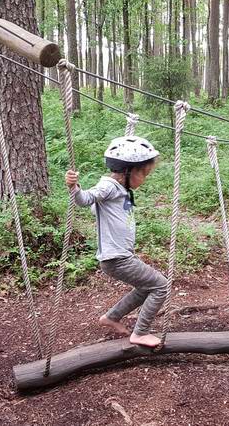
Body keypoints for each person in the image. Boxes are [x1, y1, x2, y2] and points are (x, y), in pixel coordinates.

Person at [65, 136, 167, 348]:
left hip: (120, 256)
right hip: (117, 258)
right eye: (143, 173)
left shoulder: (119, 190)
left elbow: (98, 208)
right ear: (127, 171)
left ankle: (111, 318)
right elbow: (85, 200)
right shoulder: (110, 186)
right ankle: (141, 333)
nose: (145, 178)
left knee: (145, 287)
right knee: (160, 286)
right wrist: (74, 187)